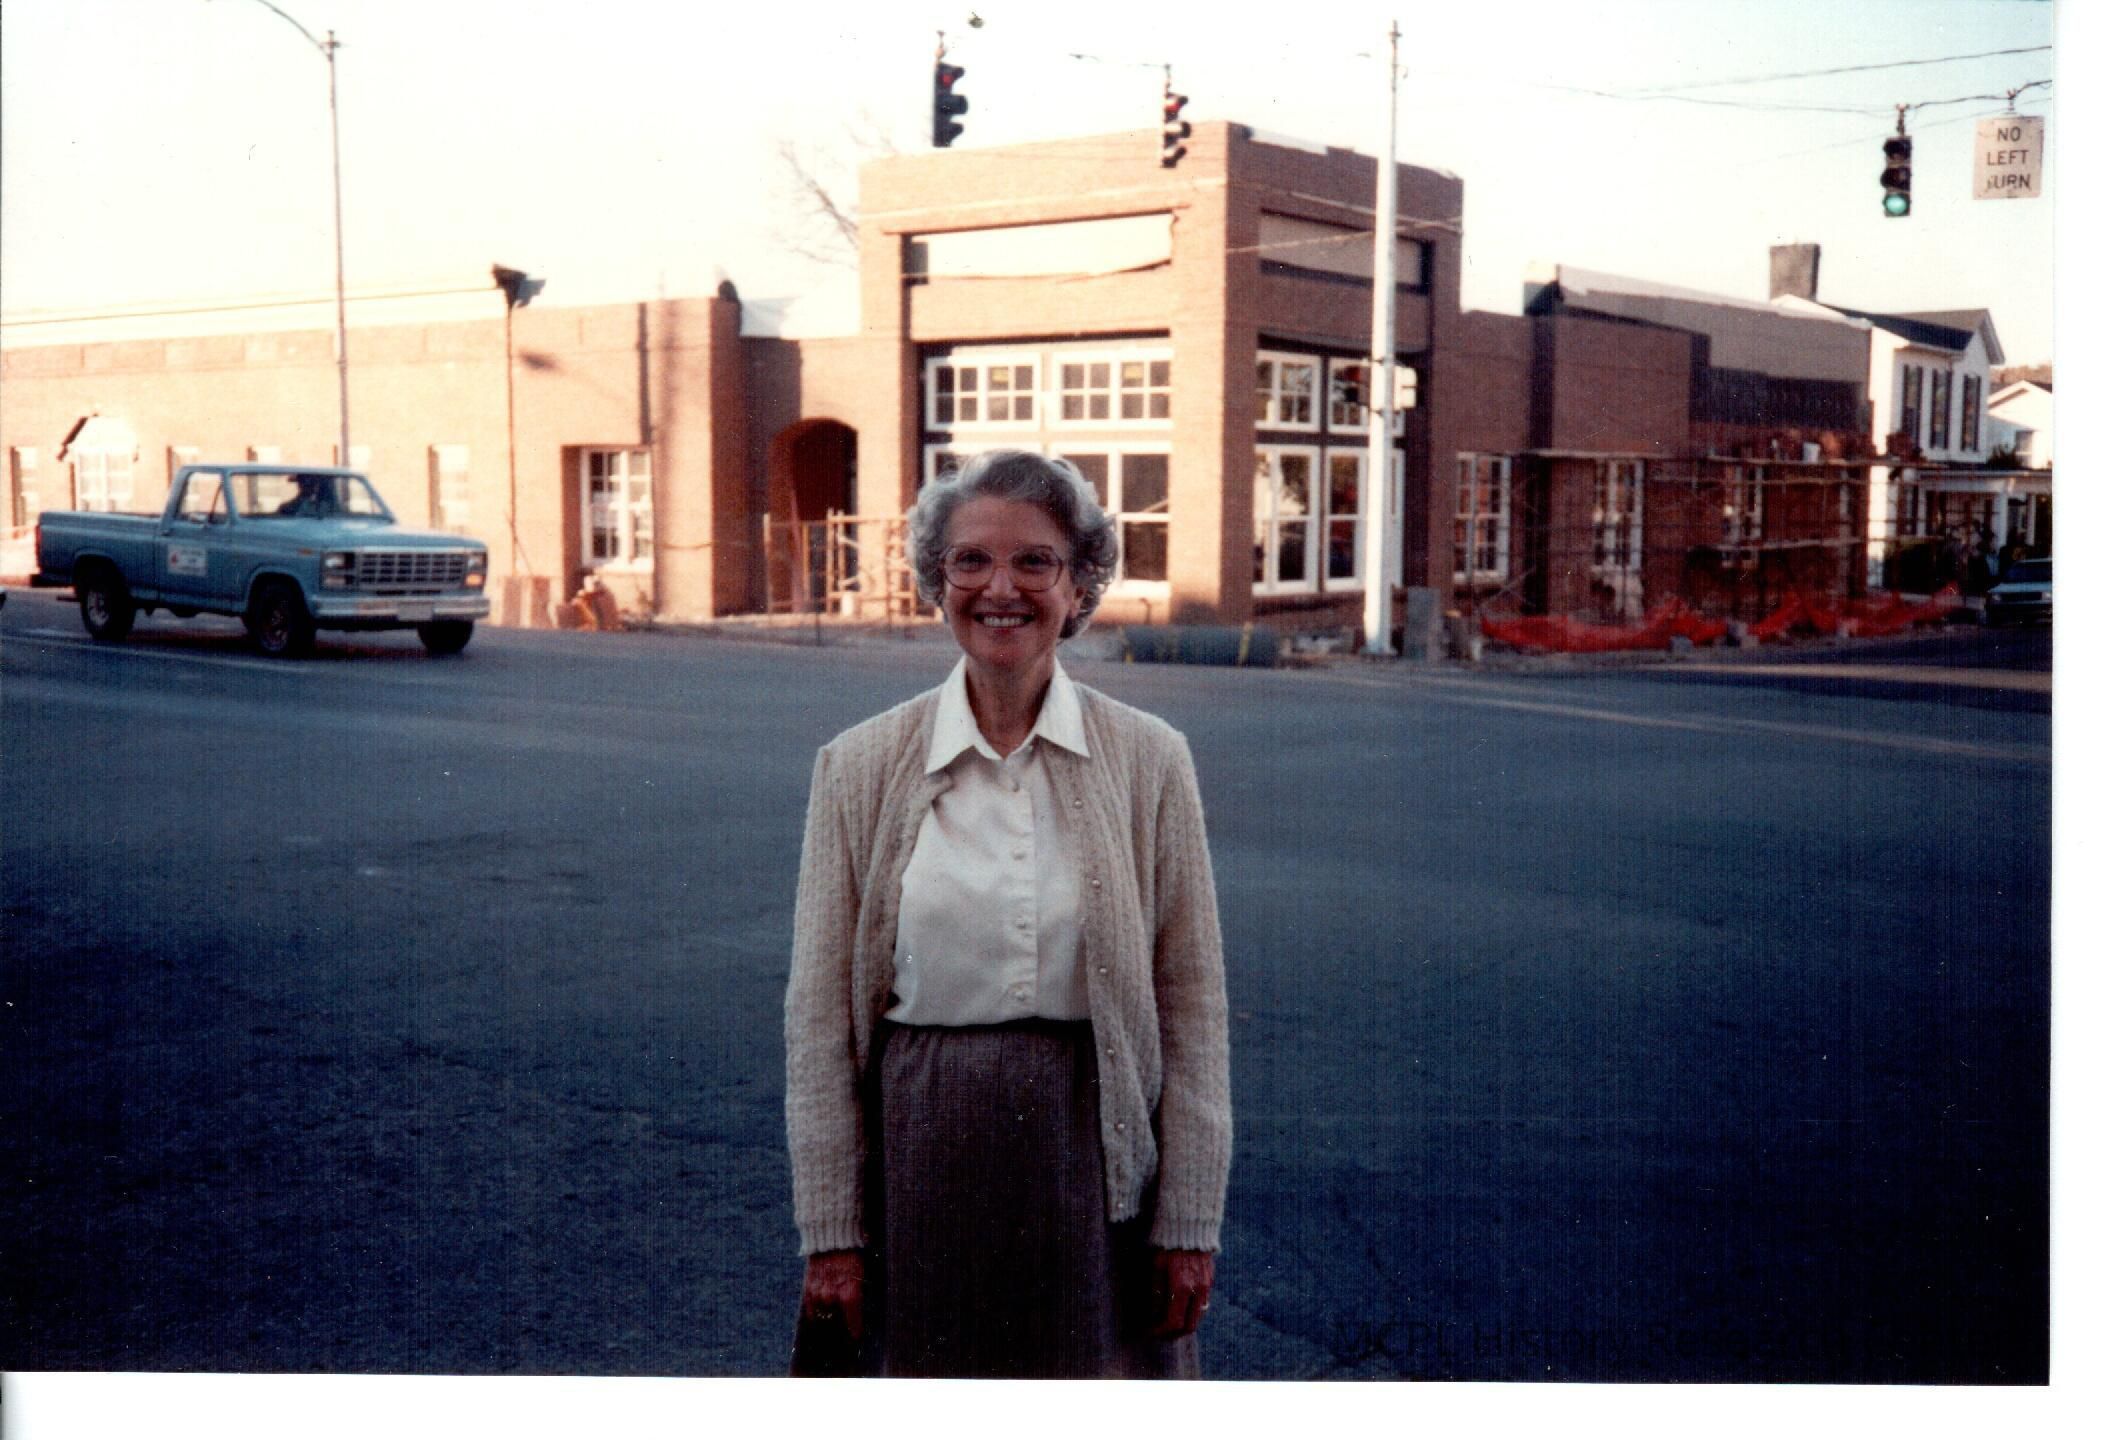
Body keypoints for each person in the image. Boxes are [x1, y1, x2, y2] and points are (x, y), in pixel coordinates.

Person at [784, 449, 1232, 1379]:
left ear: (1079, 585)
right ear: (935, 579)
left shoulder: (1151, 759)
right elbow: (819, 1022)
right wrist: (831, 1234)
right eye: (971, 560)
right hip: (919, 1159)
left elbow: (1191, 1007)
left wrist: (1189, 1220)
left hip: (1093, 1162)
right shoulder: (856, 766)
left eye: (1035, 561)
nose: (1001, 588)